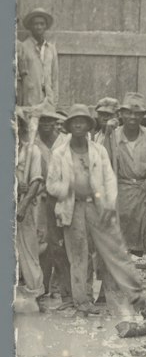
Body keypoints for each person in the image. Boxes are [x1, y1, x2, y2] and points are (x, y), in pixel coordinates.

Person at [45, 104, 145, 317]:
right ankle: (82, 301)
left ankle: (133, 295)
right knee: (78, 254)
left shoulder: (98, 150)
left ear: (89, 125)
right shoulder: (59, 152)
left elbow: (109, 179)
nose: (79, 125)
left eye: (83, 121)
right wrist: (69, 187)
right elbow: (51, 185)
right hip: (73, 207)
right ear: (69, 126)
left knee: (111, 249)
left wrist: (109, 204)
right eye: (75, 121)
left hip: (97, 206)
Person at [106, 94, 146, 293]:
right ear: (121, 114)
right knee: (118, 246)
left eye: (137, 113)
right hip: (121, 194)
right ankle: (113, 292)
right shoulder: (112, 136)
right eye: (128, 113)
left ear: (143, 116)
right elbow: (105, 166)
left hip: (144, 193)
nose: (132, 117)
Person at [34, 102, 71, 306]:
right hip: (40, 198)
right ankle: (43, 287)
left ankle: (62, 288)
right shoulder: (34, 142)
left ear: (56, 122)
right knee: (42, 242)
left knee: (62, 243)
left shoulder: (65, 142)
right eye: (42, 120)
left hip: (62, 198)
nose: (46, 124)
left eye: (50, 120)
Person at [16, 111, 46, 309]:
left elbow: (36, 181)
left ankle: (36, 291)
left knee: (28, 248)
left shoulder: (32, 151)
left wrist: (24, 204)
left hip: (23, 207)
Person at [16, 7, 58, 109]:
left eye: (42, 24)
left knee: (47, 124)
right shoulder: (23, 47)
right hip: (30, 101)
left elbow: (55, 78)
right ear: (30, 26)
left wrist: (54, 101)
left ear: (46, 26)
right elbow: (19, 78)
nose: (39, 27)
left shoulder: (51, 49)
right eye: (35, 24)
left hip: (48, 102)